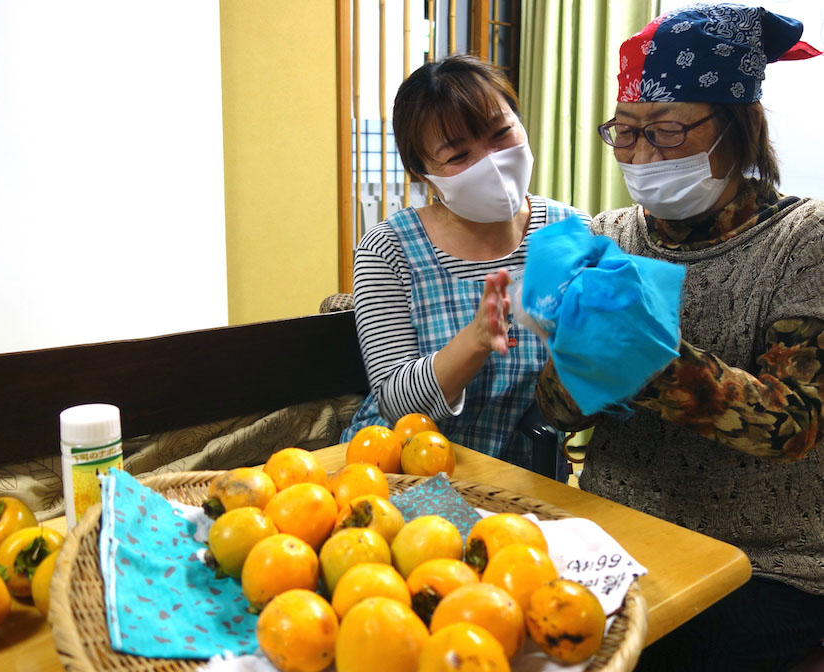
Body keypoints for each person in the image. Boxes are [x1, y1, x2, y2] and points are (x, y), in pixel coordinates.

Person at [534, 4, 824, 670]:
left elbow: (792, 427)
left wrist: (644, 357)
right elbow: (558, 413)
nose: (639, 156)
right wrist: (560, 342)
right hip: (614, 537)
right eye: (625, 133)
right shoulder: (605, 237)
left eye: (664, 131)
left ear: (738, 127)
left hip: (765, 562)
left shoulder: (804, 241)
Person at [340, 54, 590, 478]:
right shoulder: (389, 248)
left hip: (522, 474)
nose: (490, 162)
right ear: (423, 173)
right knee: (436, 547)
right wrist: (475, 340)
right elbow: (396, 402)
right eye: (458, 156)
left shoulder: (570, 231)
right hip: (400, 470)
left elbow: (586, 381)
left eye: (501, 133)